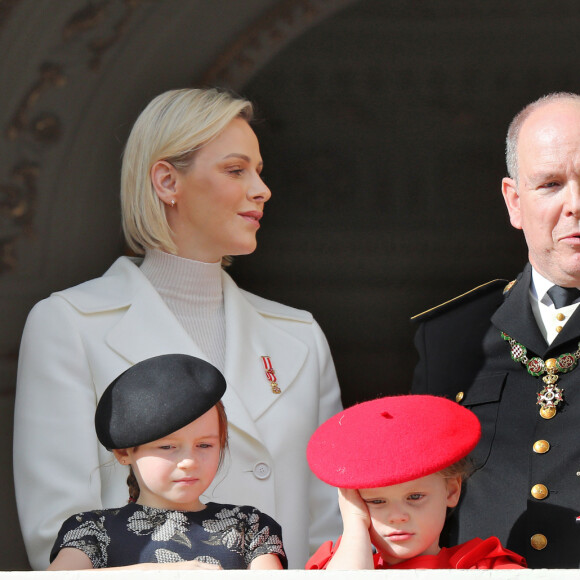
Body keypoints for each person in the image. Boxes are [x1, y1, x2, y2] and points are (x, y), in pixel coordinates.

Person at [13, 87, 342, 570]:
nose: (261, 189)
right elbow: (58, 532)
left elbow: (329, 529)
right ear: (167, 181)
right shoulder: (68, 324)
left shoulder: (300, 335)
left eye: (259, 171)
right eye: (236, 170)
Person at [411, 92, 580, 568]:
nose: (575, 205)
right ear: (514, 202)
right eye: (550, 184)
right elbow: (416, 509)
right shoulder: (449, 337)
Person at [48, 354, 287, 570]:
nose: (189, 461)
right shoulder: (93, 529)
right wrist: (157, 572)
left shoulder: (250, 526)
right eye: (167, 447)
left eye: (205, 445)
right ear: (123, 452)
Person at [305, 395, 526, 570]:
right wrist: (354, 524)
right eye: (377, 501)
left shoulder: (480, 567)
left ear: (451, 490)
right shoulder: (341, 565)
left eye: (414, 497)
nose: (397, 516)